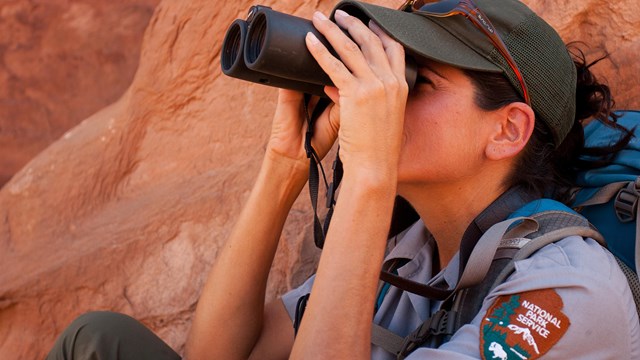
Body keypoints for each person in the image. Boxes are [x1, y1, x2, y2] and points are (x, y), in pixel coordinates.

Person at [47, 0, 640, 359]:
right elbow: (226, 355)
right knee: (98, 344)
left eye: (417, 82)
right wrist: (284, 162)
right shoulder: (409, 259)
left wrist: (369, 176)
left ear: (507, 130)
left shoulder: (565, 295)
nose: (381, 97)